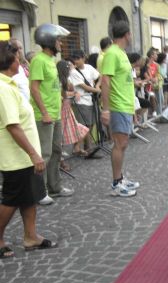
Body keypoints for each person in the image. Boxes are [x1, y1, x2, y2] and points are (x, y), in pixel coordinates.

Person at [0, 41, 57, 259]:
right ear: (8, 60)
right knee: (11, 199)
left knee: (28, 198)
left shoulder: (10, 84)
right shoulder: (3, 88)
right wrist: (33, 153)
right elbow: (12, 126)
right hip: (15, 157)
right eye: (17, 56)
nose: (20, 59)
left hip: (24, 156)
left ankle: (30, 236)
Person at [29, 24, 74, 205]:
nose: (60, 44)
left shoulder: (50, 61)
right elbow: (34, 88)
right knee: (45, 154)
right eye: (58, 40)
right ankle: (41, 191)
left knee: (56, 151)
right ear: (49, 41)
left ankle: (55, 186)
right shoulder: (38, 60)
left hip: (54, 115)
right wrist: (45, 112)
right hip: (44, 116)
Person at [100, 21, 140, 197]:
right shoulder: (111, 53)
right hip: (117, 105)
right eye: (130, 34)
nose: (131, 37)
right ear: (127, 34)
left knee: (123, 144)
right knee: (119, 144)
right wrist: (106, 109)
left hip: (125, 105)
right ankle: (116, 183)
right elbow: (105, 81)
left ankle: (120, 177)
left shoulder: (121, 53)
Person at [69, 49, 101, 155]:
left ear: (83, 58)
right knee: (83, 125)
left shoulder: (89, 67)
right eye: (74, 59)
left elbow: (99, 76)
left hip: (90, 100)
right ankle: (80, 147)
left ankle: (85, 147)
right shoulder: (73, 72)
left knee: (90, 124)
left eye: (78, 59)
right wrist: (97, 90)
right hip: (81, 100)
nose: (76, 61)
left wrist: (97, 85)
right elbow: (84, 86)